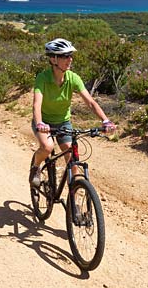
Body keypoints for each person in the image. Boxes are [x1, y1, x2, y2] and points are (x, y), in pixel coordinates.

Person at [29, 38, 116, 187]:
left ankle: (74, 201)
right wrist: (40, 123)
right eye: (65, 56)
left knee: (73, 161)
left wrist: (105, 120)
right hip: (44, 122)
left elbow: (90, 102)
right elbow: (37, 104)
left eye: (70, 55)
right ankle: (36, 167)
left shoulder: (73, 78)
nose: (70, 59)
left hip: (63, 122)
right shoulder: (42, 78)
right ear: (53, 59)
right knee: (47, 147)